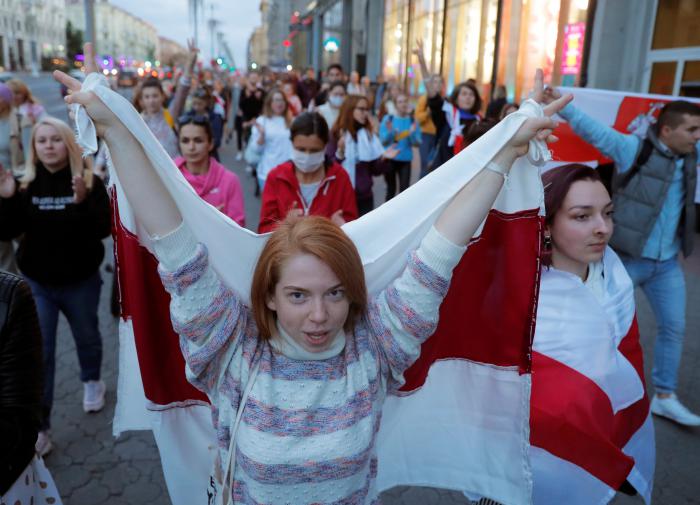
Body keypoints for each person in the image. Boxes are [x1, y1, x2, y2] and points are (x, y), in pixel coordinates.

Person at [55, 44, 566, 503]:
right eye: (298, 295)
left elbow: (440, 252)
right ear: (270, 297)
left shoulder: (378, 347)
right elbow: (174, 247)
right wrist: (117, 131)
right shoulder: (230, 348)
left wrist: (505, 151)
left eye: (336, 294)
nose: (320, 316)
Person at [542, 87, 700, 426]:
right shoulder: (634, 150)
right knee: (603, 329)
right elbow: (593, 131)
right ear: (668, 130)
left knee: (675, 326)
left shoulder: (692, 158)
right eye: (692, 130)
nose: (697, 137)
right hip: (626, 259)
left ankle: (666, 395)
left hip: (667, 262)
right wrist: (561, 104)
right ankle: (591, 396)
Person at [531, 164, 654, 503]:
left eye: (608, 213)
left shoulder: (615, 280)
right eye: (582, 216)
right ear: (548, 222)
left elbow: (626, 369)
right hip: (531, 457)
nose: (604, 228)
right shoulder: (521, 295)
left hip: (597, 437)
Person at [0, 116, 111, 455]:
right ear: (34, 148)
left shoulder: (89, 182)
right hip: (38, 284)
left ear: (69, 144)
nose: (48, 145)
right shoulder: (25, 184)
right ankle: (41, 427)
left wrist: (80, 204)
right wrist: (5, 199)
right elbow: (7, 232)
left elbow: (103, 229)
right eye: (41, 140)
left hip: (80, 282)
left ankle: (92, 380)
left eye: (55, 139)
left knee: (87, 337)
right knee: (41, 353)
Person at [0, 271, 63, 504]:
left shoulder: (9, 295)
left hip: (10, 482)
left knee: (86, 337)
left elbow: (19, 419)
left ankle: (91, 379)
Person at [259, 112, 357, 233]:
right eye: (301, 149)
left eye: (314, 150)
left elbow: (353, 227)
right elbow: (263, 231)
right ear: (292, 144)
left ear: (325, 146)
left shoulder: (340, 177)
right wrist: (286, 225)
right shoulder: (276, 177)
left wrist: (342, 228)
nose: (307, 156)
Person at [328, 95, 396, 215]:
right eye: (361, 109)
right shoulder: (336, 134)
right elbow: (328, 169)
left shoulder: (369, 135)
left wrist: (384, 159)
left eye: (367, 110)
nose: (365, 113)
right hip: (341, 195)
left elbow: (374, 170)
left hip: (364, 196)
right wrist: (340, 153)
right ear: (350, 109)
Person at [175, 113, 245, 226]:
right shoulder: (168, 177)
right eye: (185, 141)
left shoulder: (230, 181)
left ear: (211, 143)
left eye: (198, 140)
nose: (191, 147)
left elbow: (239, 228)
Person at [247, 88, 293, 192]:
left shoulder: (291, 121)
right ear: (270, 103)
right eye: (276, 100)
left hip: (288, 174)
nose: (279, 103)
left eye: (281, 100)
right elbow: (256, 149)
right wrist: (262, 135)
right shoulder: (262, 121)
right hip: (267, 173)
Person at [379, 92, 421, 200]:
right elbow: (383, 142)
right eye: (400, 102)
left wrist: (411, 134)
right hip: (390, 159)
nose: (403, 104)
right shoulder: (388, 119)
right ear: (395, 104)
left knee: (404, 191)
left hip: (405, 160)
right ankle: (387, 215)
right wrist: (391, 132)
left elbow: (417, 143)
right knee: (391, 190)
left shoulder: (413, 121)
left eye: (405, 101)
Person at [0, 82, 22, 274]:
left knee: (23, 236)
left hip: (15, 182)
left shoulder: (19, 120)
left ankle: (33, 282)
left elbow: (32, 151)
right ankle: (10, 291)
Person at [7, 78, 46, 160]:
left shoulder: (35, 109)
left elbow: (46, 125)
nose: (14, 96)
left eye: (17, 93)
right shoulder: (5, 111)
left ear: (24, 93)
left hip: (33, 148)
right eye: (11, 93)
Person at [415, 74, 442, 178]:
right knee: (425, 166)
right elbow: (417, 117)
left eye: (440, 82)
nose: (438, 84)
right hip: (426, 135)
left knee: (435, 166)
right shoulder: (424, 99)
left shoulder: (443, 99)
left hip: (438, 137)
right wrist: (427, 113)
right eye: (435, 82)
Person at [187, 87, 224, 161]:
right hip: (191, 156)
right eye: (194, 104)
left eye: (200, 104)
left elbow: (217, 140)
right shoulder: (187, 117)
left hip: (210, 156)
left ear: (206, 102)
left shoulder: (215, 118)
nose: (196, 107)